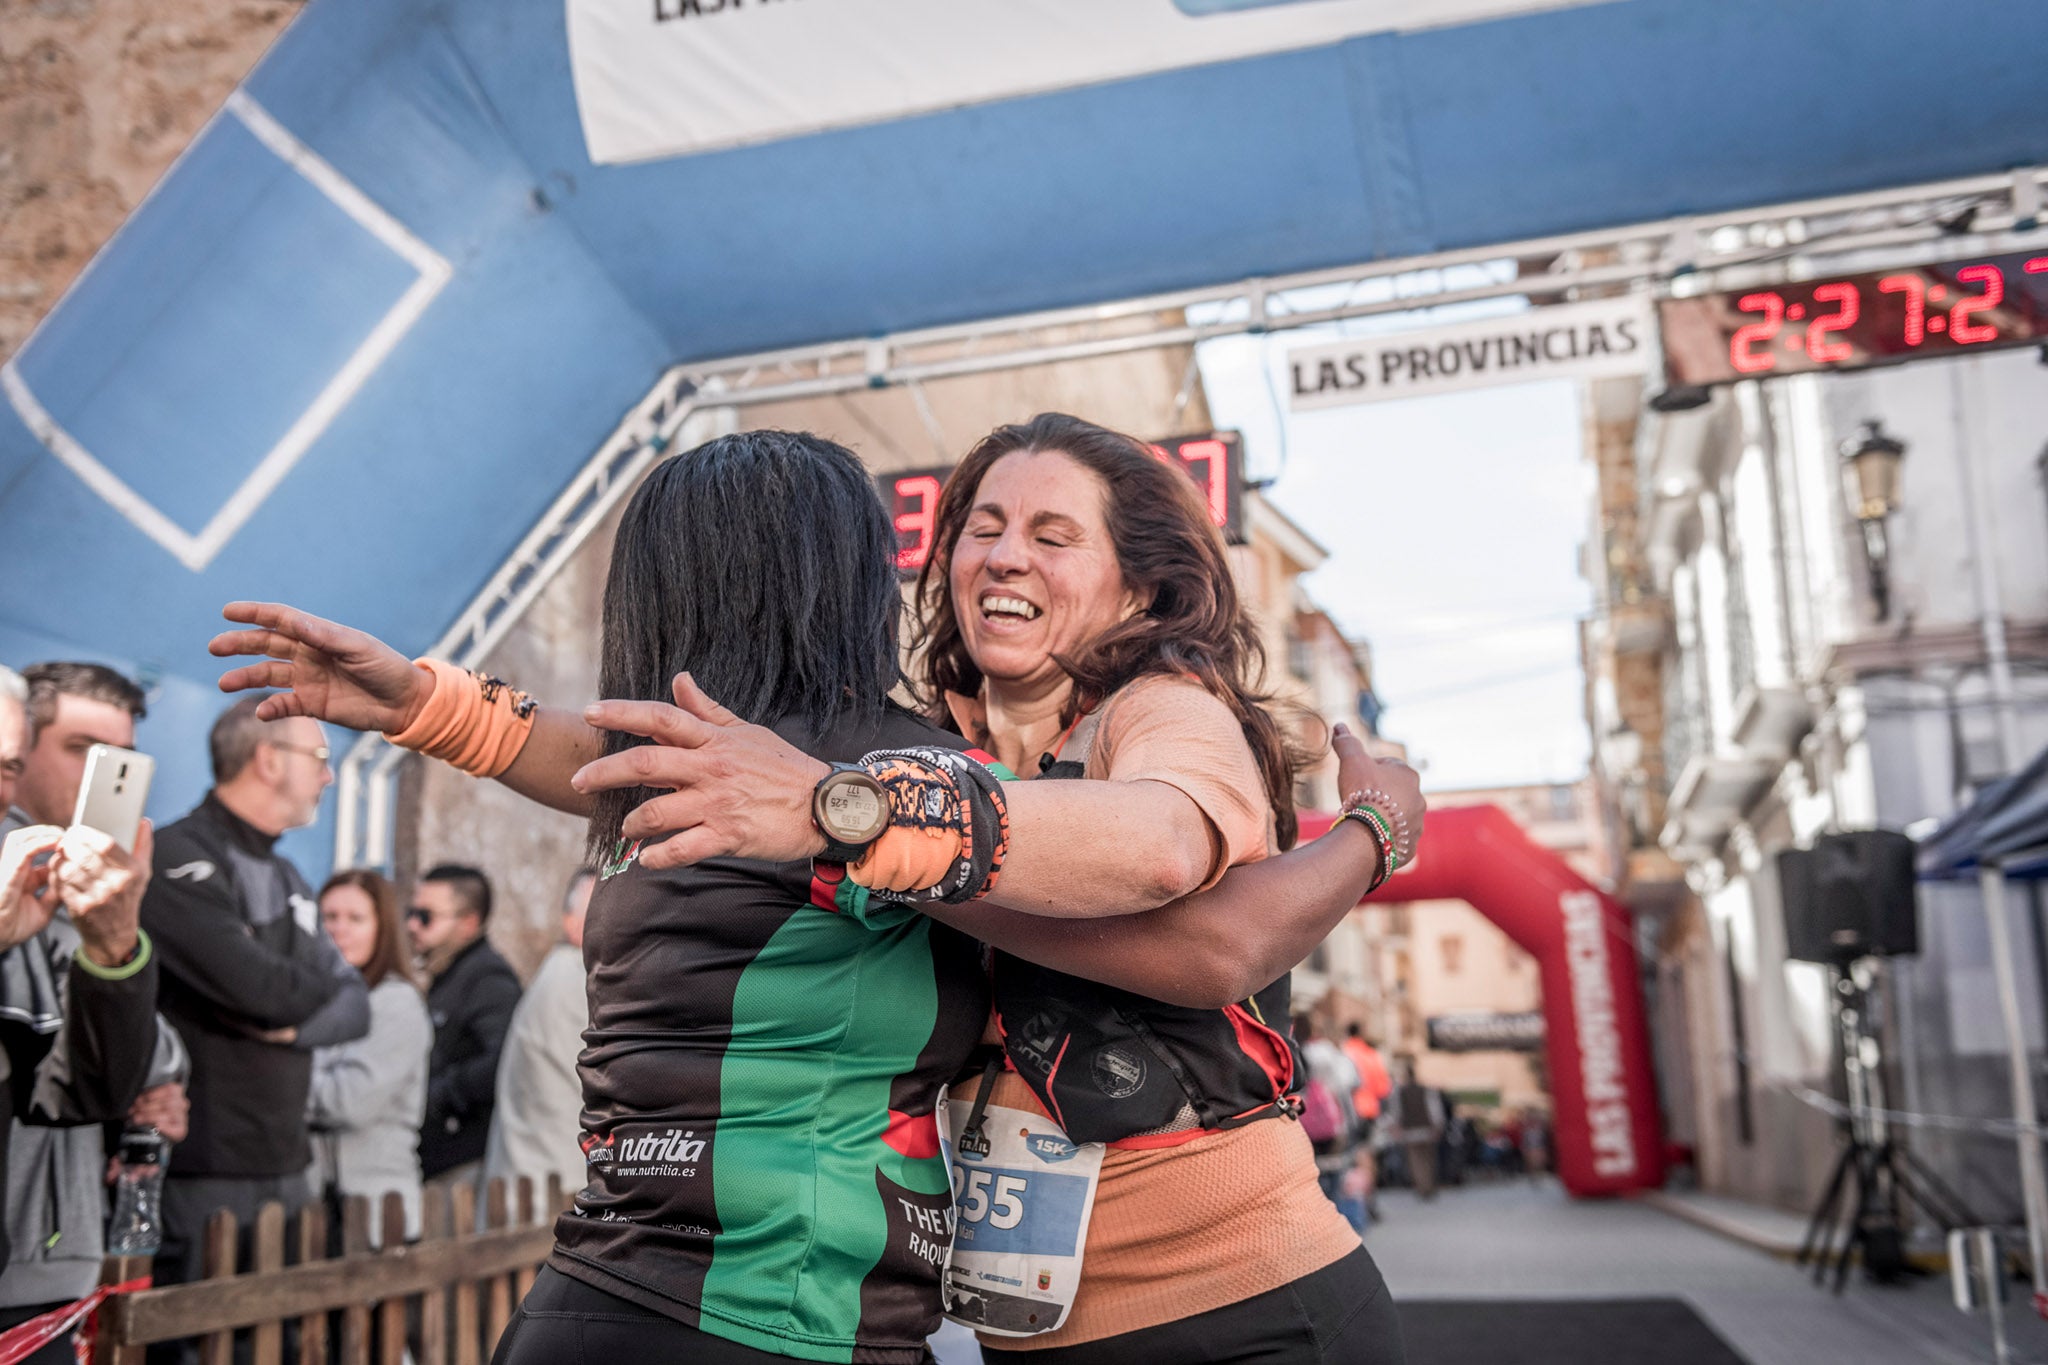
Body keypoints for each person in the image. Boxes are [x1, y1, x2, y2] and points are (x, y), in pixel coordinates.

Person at [208, 428, 1420, 1363]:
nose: (1001, 555)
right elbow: (658, 768)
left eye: (1054, 536)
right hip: (1001, 1326)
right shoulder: (922, 751)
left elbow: (1188, 895)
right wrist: (437, 708)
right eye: (981, 527)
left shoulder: (1154, 710)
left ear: (1138, 589)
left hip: (1237, 1305)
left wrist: (1374, 829)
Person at [140, 696, 370, 1330]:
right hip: (207, 1171)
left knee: (285, 1344)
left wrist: (291, 1022)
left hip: (288, 1165)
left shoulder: (291, 874)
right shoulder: (174, 856)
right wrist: (297, 992)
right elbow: (259, 989)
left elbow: (354, 1003)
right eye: (319, 758)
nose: (328, 775)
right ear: (269, 760)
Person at [1, 664, 187, 1364]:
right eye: (81, 748)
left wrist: (111, 948)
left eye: (121, 758)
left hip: (62, 1244)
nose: (102, 777)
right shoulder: (22, 871)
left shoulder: (104, 881)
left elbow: (151, 1054)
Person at [308, 869, 429, 1248]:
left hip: (377, 1216)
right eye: (329, 917)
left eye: (355, 919)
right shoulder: (311, 1001)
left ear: (382, 928)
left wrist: (279, 1079)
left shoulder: (396, 1003)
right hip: (316, 1211)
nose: (338, 930)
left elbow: (347, 1102)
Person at [484, 867, 596, 1202]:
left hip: (530, 1181)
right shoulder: (577, 977)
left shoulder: (560, 971)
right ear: (570, 922)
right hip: (557, 1185)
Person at [409, 864, 518, 1187]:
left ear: (468, 923)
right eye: (411, 912)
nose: (412, 925)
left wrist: (441, 1095)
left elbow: (504, 1059)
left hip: (462, 1163)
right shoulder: (450, 975)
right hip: (436, 1157)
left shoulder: (489, 981)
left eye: (426, 916)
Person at [1294, 1014, 1365, 1232]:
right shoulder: (1325, 1053)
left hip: (1303, 1123)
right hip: (1333, 1122)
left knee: (1313, 1175)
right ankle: (1340, 1225)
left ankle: (1319, 1225)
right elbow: (1348, 1085)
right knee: (1338, 1173)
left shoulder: (1293, 1051)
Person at [1342, 1024, 1392, 1216]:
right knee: (1368, 1159)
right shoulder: (1372, 1055)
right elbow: (1383, 1088)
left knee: (1354, 1159)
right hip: (1370, 1111)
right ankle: (1369, 1201)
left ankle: (1356, 1204)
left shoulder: (1345, 1052)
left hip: (1351, 1112)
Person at [1390, 1060, 1444, 1201]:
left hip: (1411, 1130)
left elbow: (1396, 1112)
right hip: (1425, 1129)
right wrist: (1438, 1125)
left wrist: (1397, 1127)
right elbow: (1435, 1110)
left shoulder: (1400, 1092)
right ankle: (1428, 1186)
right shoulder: (1425, 1090)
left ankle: (1422, 1186)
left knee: (1416, 1161)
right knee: (1428, 1160)